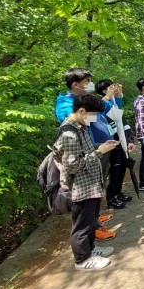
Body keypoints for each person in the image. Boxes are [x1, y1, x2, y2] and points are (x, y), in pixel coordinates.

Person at [53, 94, 119, 271]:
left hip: (90, 184)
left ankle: (91, 249)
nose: (95, 119)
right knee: (81, 225)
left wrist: (102, 146)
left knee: (90, 220)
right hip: (80, 187)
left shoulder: (80, 126)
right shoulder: (68, 132)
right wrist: (100, 152)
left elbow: (86, 151)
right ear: (82, 111)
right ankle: (82, 259)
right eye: (93, 115)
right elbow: (72, 165)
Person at [55, 68, 116, 239]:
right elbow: (80, 120)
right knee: (86, 196)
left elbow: (102, 111)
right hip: (84, 157)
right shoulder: (65, 104)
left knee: (97, 186)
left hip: (95, 150)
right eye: (86, 83)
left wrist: (108, 99)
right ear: (75, 84)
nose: (89, 85)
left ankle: (95, 218)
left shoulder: (83, 101)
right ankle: (92, 227)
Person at [96, 79, 134, 208]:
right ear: (104, 90)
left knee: (122, 167)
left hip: (120, 138)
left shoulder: (111, 102)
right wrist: (108, 97)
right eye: (111, 87)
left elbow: (118, 108)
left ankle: (118, 193)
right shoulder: (100, 103)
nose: (114, 88)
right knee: (115, 169)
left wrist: (118, 94)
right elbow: (100, 111)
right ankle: (111, 198)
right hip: (111, 140)